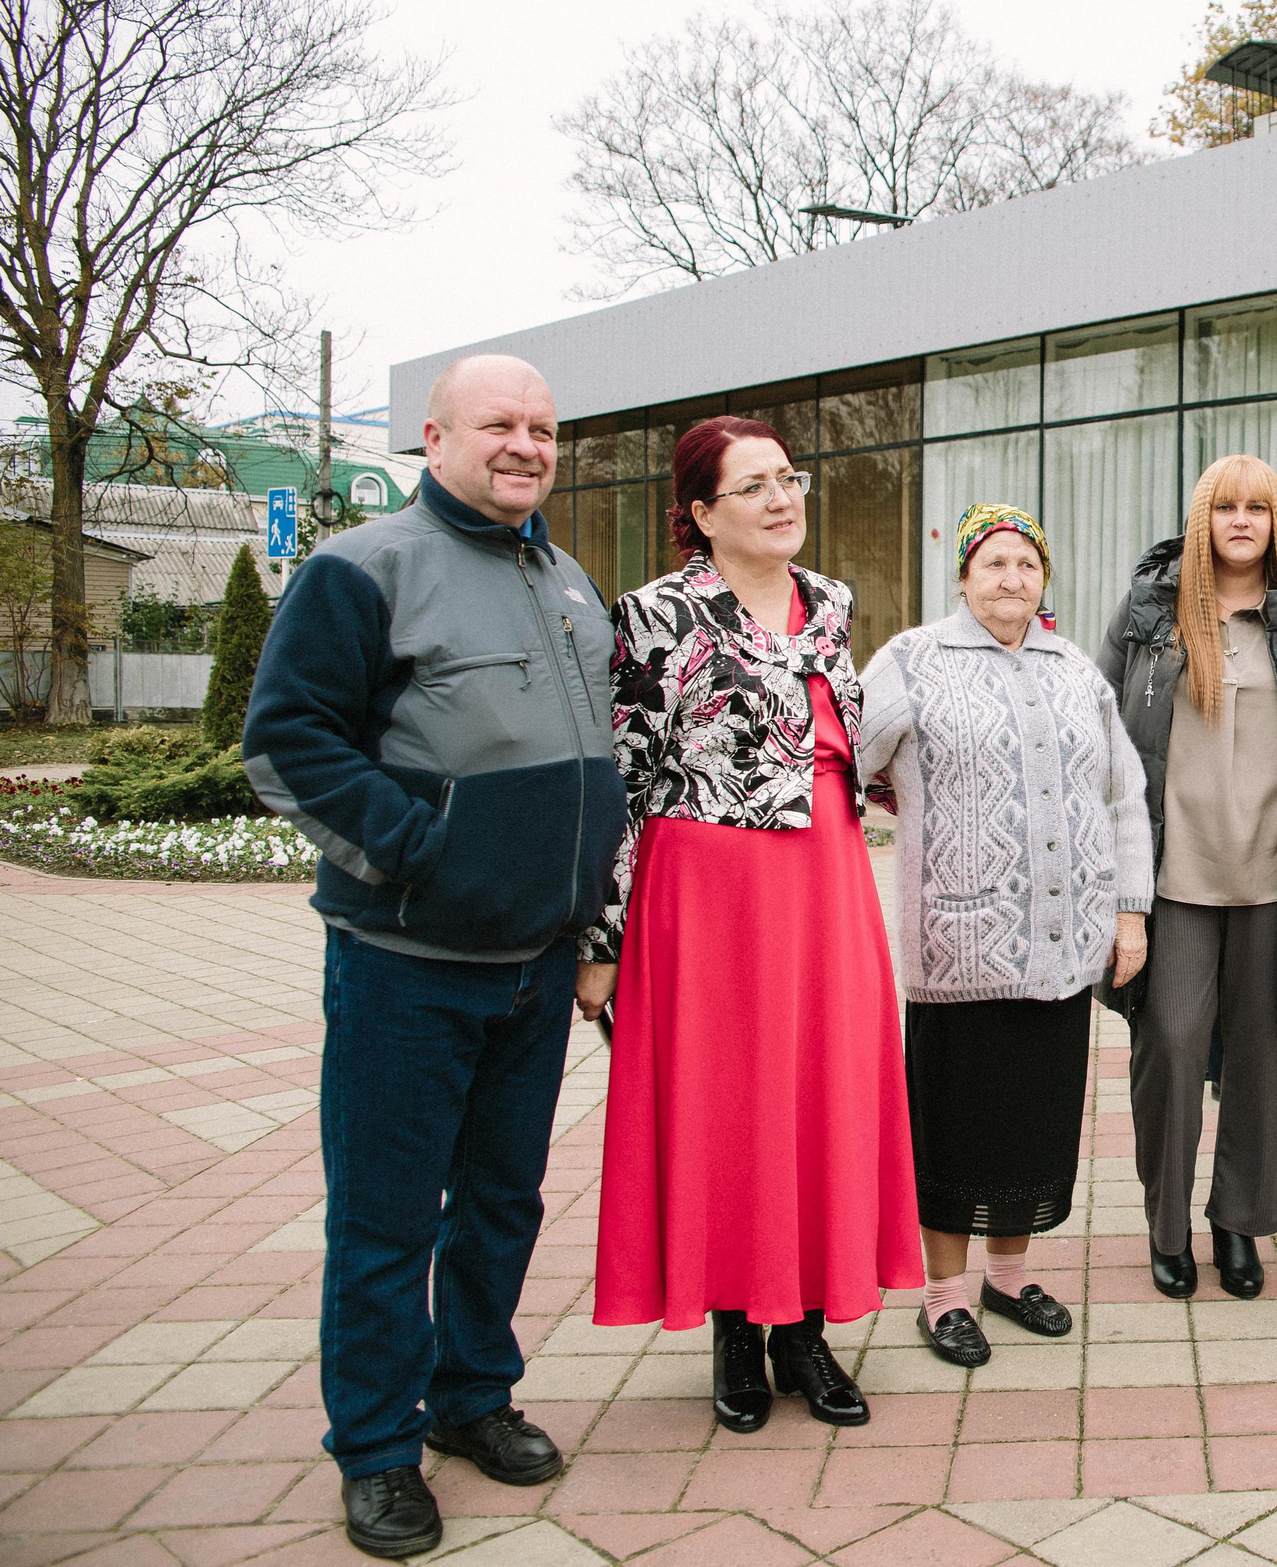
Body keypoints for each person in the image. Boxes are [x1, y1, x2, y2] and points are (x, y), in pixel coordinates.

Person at [243, 355, 625, 1559]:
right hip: (405, 958)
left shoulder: (566, 579)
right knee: (386, 1214)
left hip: (533, 962)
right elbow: (286, 742)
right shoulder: (365, 568)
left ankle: (471, 1399)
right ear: (435, 437)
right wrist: (418, 851)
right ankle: (374, 1448)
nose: (525, 444)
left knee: (502, 1201)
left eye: (544, 428)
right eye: (500, 424)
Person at [576, 416, 920, 1433]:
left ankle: (805, 1328)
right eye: (753, 487)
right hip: (708, 896)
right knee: (728, 1108)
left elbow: (840, 746)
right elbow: (623, 776)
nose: (783, 499)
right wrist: (605, 939)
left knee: (824, 1094)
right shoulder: (654, 614)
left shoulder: (833, 602)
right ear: (697, 514)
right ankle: (735, 1324)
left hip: (827, 884)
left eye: (788, 478)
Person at [855, 504, 1153, 1366]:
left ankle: (1009, 1277)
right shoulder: (913, 658)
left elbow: (1123, 792)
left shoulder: (1075, 672)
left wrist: (1128, 909)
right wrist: (899, 814)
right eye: (994, 563)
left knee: (1034, 1119)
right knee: (955, 1126)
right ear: (964, 576)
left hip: (1064, 948)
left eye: (1026, 563)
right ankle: (943, 1296)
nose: (1011, 578)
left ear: (1043, 578)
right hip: (958, 949)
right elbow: (848, 758)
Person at [1099, 455, 1277, 1301]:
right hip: (1172, 878)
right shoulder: (1152, 609)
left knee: (1258, 1061)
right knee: (1172, 1048)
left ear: (1276, 520)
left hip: (1276, 883)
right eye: (1226, 506)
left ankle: (1239, 1223)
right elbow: (1098, 738)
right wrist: (1108, 885)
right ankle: (1167, 1223)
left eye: (1258, 507)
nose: (1242, 520)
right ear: (1202, 517)